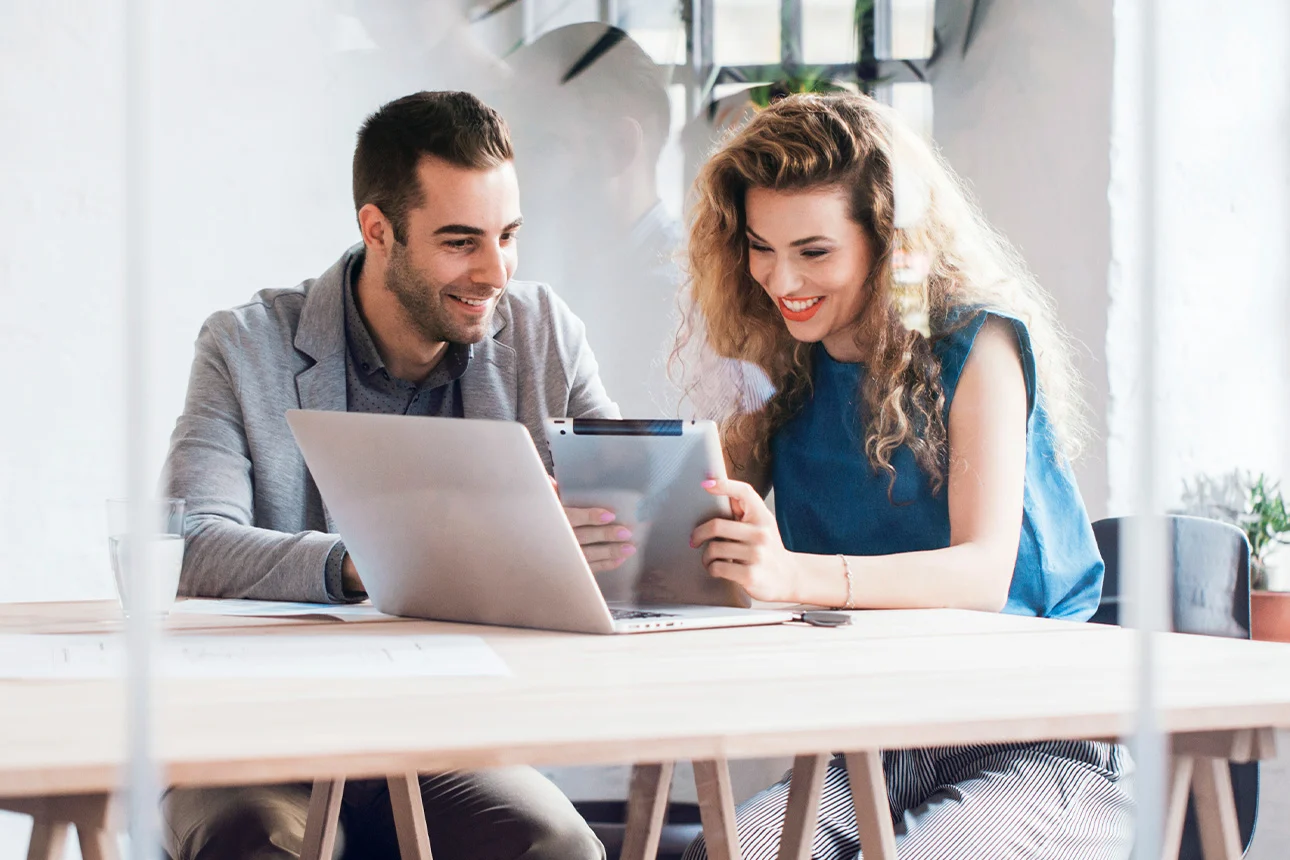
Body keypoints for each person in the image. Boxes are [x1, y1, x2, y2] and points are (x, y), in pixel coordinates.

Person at [160, 91, 622, 860]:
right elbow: (193, 545)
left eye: (508, 235)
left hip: (439, 741)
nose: (495, 270)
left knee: (558, 850)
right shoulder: (244, 347)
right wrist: (375, 558)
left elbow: (616, 495)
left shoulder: (543, 332)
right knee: (262, 847)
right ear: (378, 230)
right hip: (255, 734)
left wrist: (664, 509)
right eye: (460, 241)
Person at [678, 93, 1133, 859]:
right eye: (760, 246)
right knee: (726, 853)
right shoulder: (782, 362)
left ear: (887, 242)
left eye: (814, 252)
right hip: (878, 742)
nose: (779, 277)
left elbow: (983, 574)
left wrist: (790, 573)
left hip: (1044, 737)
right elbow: (713, 534)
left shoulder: (977, 345)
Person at [504, 23, 685, 417]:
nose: (506, 168)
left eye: (538, 143)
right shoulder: (552, 272)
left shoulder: (678, 310)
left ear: (617, 147)